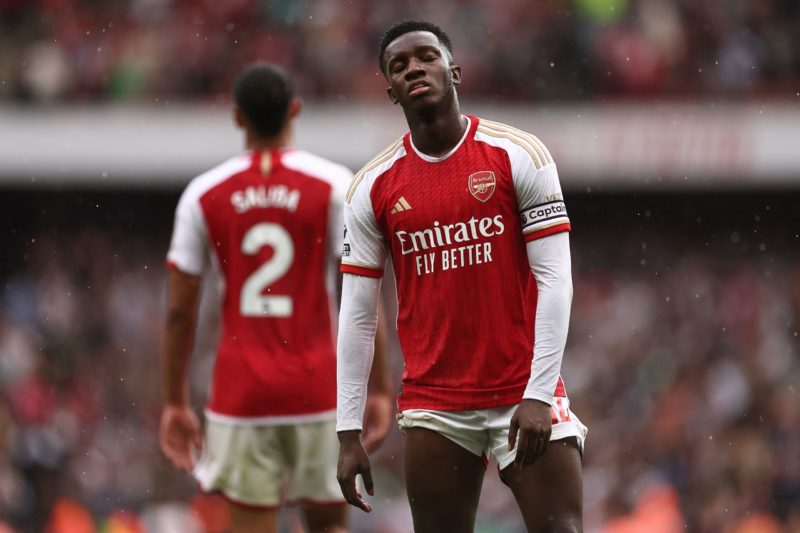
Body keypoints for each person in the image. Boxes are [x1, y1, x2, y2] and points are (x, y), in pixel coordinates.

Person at [335, 20, 588, 532]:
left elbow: (556, 279)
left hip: (524, 390)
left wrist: (539, 393)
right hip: (435, 404)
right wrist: (346, 432)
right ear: (389, 91)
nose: (413, 69)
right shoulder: (371, 187)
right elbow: (358, 316)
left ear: (454, 70)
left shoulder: (518, 154)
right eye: (399, 66)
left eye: (425, 57)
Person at [159, 63, 393, 533]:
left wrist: (174, 402)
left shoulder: (202, 194)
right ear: (295, 111)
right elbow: (360, 293)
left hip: (241, 394)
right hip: (319, 389)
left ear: (237, 118)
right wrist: (381, 387)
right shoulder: (332, 185)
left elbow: (179, 312)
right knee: (329, 526)